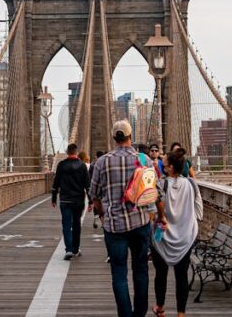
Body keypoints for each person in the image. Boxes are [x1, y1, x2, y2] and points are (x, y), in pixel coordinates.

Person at [90, 120, 166, 317]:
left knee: (119, 274)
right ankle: (139, 314)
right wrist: (160, 217)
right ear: (130, 136)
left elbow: (94, 195)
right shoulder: (144, 160)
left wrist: (102, 213)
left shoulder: (102, 162)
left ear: (114, 138)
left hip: (114, 226)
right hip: (140, 223)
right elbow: (157, 193)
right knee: (141, 271)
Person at [150, 148, 203, 317]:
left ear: (171, 167)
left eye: (165, 165)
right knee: (182, 277)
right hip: (185, 238)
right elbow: (199, 213)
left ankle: (160, 308)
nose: (162, 166)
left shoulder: (160, 184)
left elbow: (153, 210)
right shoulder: (192, 184)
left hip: (162, 238)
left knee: (161, 274)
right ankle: (181, 313)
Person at [52, 143, 90, 260]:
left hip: (65, 200)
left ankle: (68, 249)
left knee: (66, 225)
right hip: (78, 200)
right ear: (76, 152)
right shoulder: (82, 166)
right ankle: (75, 249)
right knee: (77, 224)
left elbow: (56, 183)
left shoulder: (61, 165)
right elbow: (87, 185)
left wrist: (54, 199)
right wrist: (91, 201)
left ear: (67, 152)